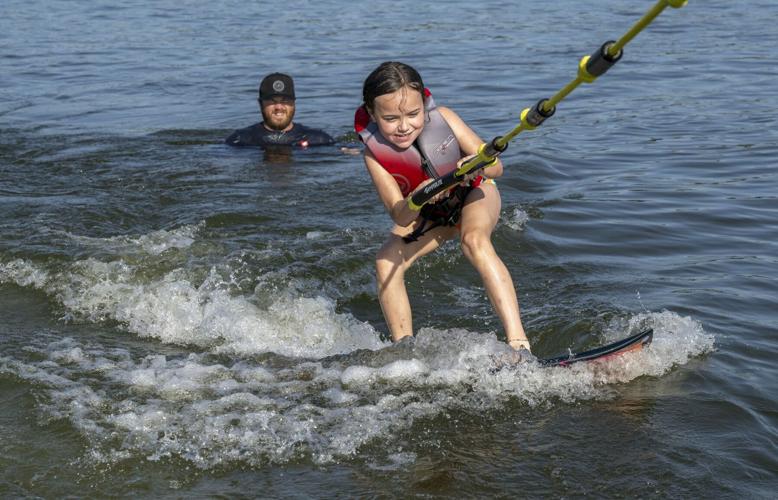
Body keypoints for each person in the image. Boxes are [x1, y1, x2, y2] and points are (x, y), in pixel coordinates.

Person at [356, 61, 531, 353]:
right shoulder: (373, 155)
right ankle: (404, 350)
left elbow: (497, 168)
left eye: (413, 114)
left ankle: (518, 343)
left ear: (425, 105)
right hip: (428, 214)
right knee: (385, 260)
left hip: (474, 194)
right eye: (390, 118)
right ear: (372, 115)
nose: (403, 126)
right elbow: (398, 213)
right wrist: (418, 197)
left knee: (473, 240)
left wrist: (476, 165)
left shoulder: (445, 117)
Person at [225, 72, 335, 148]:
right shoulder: (240, 140)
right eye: (272, 101)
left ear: (294, 103)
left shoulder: (319, 140)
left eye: (285, 101)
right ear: (260, 104)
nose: (279, 107)